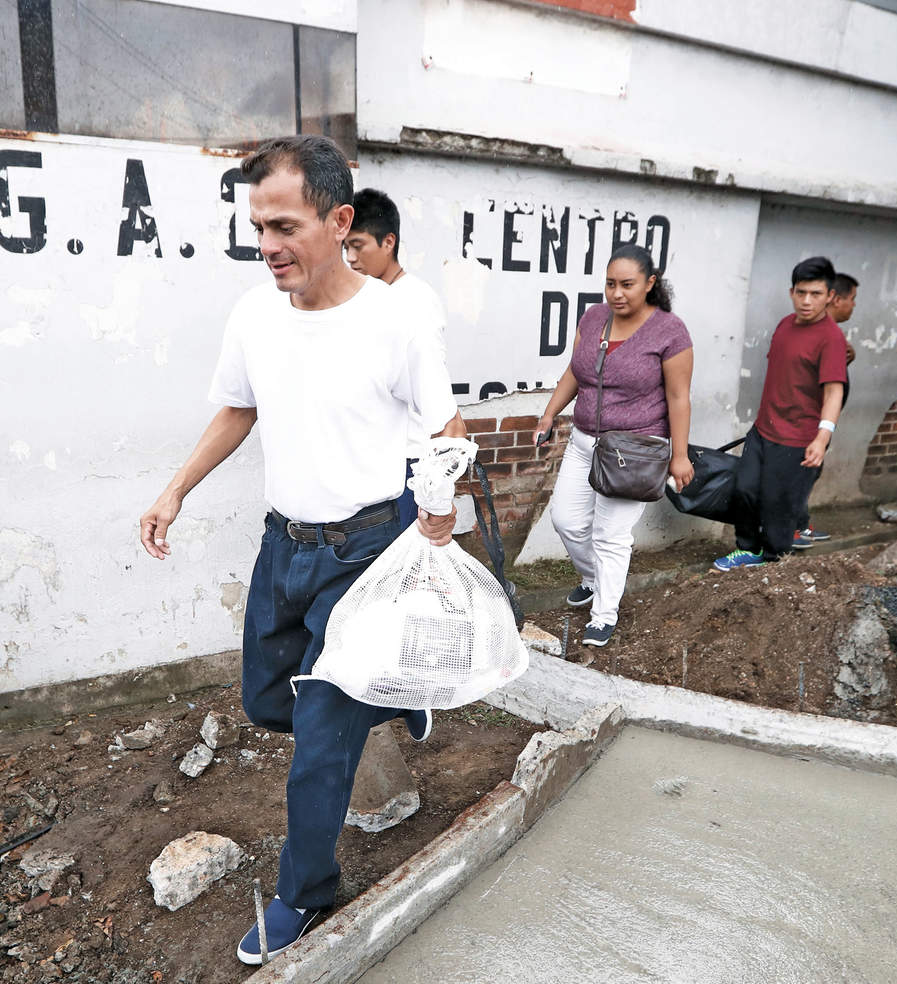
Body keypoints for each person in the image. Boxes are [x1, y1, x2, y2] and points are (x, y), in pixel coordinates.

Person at [138, 136, 465, 964]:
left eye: (284, 226)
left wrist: (439, 504)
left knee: (318, 744)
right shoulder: (255, 315)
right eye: (259, 226)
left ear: (339, 220)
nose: (267, 244)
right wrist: (176, 489)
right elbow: (238, 409)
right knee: (263, 701)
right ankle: (390, 696)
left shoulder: (394, 320)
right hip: (283, 547)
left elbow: (446, 426)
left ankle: (305, 895)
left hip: (366, 551)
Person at [534, 244, 693, 648]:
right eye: (610, 284)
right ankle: (593, 579)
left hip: (634, 448)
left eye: (627, 285)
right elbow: (576, 371)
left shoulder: (670, 332)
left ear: (650, 283)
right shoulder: (593, 318)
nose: (616, 293)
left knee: (611, 535)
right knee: (567, 521)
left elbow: (678, 397)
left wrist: (679, 456)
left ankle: (603, 615)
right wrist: (550, 413)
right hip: (585, 441)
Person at [713, 256, 847, 571]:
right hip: (763, 430)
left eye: (815, 294)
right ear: (791, 292)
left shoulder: (831, 339)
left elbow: (834, 392)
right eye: (801, 292)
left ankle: (773, 565)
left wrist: (822, 437)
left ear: (830, 296)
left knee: (778, 506)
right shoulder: (785, 325)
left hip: (797, 439)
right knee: (744, 490)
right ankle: (748, 550)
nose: (806, 301)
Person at [345, 188, 449, 531]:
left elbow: (433, 389)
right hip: (374, 457)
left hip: (408, 461)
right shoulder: (369, 298)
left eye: (358, 245)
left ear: (388, 242)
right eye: (345, 248)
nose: (350, 258)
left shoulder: (414, 300)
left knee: (402, 557)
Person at [793, 270, 858, 549]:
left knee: (809, 473)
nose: (853, 305)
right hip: (807, 423)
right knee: (800, 474)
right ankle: (791, 530)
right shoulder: (819, 335)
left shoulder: (833, 337)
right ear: (837, 299)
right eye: (852, 299)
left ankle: (799, 524)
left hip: (819, 423)